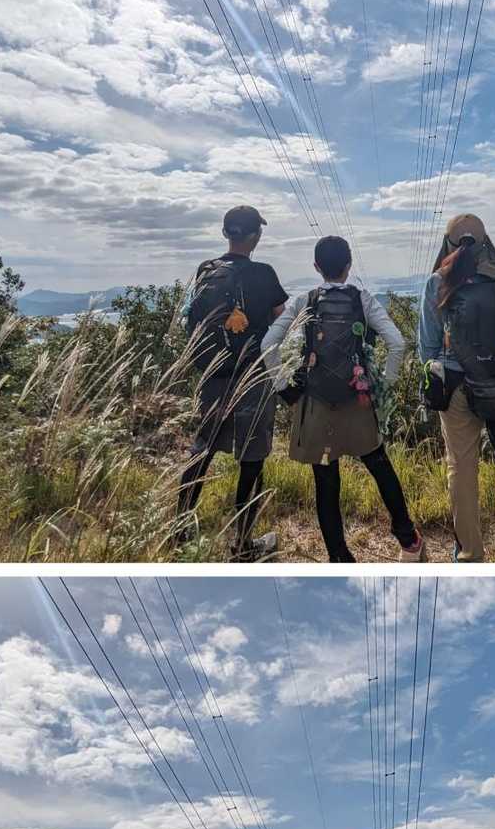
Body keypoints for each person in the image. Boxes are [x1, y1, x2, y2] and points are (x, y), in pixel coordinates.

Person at [261, 235, 425, 563]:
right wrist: (383, 385)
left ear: (316, 267)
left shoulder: (305, 300)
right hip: (358, 399)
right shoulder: (362, 299)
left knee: (325, 482)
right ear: (348, 266)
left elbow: (269, 343)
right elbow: (397, 343)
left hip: (315, 403)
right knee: (379, 465)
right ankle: (408, 540)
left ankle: (340, 557)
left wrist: (283, 387)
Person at [418, 214, 495, 562]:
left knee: (461, 468)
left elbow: (428, 345)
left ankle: (470, 554)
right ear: (486, 243)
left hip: (456, 382)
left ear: (448, 244)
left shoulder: (436, 282)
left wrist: (437, 373)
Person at [177, 205, 288, 562]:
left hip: (213, 375)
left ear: (226, 234)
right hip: (253, 377)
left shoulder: (206, 270)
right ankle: (243, 544)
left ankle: (179, 533)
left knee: (202, 449)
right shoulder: (264, 273)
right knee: (252, 459)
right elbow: (281, 320)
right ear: (256, 236)